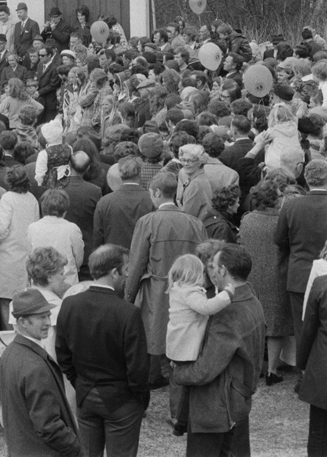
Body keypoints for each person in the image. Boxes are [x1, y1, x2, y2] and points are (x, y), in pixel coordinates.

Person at [170, 244, 265, 456]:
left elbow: (205, 369)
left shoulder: (228, 311)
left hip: (215, 409)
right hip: (237, 403)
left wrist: (178, 372)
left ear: (222, 270)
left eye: (212, 266)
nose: (209, 271)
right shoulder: (253, 300)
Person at [57, 244, 149, 456]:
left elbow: (63, 354)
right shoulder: (128, 312)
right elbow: (138, 368)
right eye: (126, 270)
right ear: (114, 272)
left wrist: (79, 383)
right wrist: (140, 399)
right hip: (121, 400)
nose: (128, 275)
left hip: (85, 394)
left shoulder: (69, 304)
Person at [125, 172, 205, 387]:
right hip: (189, 286)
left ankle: (153, 374)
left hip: (157, 285)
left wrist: (128, 296)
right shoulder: (195, 223)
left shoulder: (148, 222)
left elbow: (136, 263)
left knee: (154, 329)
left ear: (157, 192)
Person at [0, 288, 82, 457]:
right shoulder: (35, 366)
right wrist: (76, 448)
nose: (47, 322)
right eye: (40, 317)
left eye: (47, 315)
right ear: (22, 322)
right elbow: (48, 426)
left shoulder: (9, 353)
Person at [239, 180, 294, 385]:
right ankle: (272, 370)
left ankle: (254, 368)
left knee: (255, 323)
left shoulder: (248, 219)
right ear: (274, 199)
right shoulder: (283, 221)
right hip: (277, 275)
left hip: (251, 276)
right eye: (280, 195)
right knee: (275, 324)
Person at [275, 158, 327, 341]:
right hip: (322, 274)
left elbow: (279, 239)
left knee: (302, 329)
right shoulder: (292, 205)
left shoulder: (291, 205)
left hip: (299, 275)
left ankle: (305, 370)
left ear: (306, 177)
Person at [0, 166, 40, 327]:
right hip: (24, 255)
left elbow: (1, 228)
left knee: (5, 302)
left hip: (6, 255)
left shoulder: (8, 198)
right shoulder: (32, 199)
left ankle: (7, 341)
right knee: (21, 302)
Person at [91, 156, 154, 251]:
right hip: (144, 257)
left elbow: (98, 236)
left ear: (120, 174)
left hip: (113, 258)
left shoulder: (105, 202)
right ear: (141, 173)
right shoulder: (151, 199)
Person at [27, 189, 84, 288]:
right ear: (65, 210)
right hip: (67, 280)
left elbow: (30, 254)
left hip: (41, 281)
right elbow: (79, 258)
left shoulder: (32, 227)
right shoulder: (72, 229)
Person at [299, 269, 327, 455]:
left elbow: (308, 328)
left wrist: (302, 363)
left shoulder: (321, 284)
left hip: (322, 364)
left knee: (319, 432)